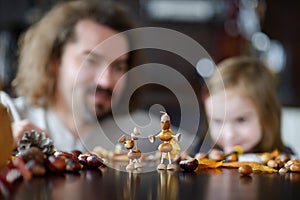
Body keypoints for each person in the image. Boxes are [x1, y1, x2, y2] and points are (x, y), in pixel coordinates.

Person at [0, 0, 196, 156]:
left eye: (118, 67)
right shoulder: (9, 115)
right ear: (54, 61)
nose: (106, 81)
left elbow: (209, 159)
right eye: (91, 61)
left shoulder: (147, 133)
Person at [199, 56, 293, 155]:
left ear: (267, 117)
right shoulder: (203, 156)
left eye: (241, 120)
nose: (229, 135)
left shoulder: (286, 160)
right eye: (218, 121)